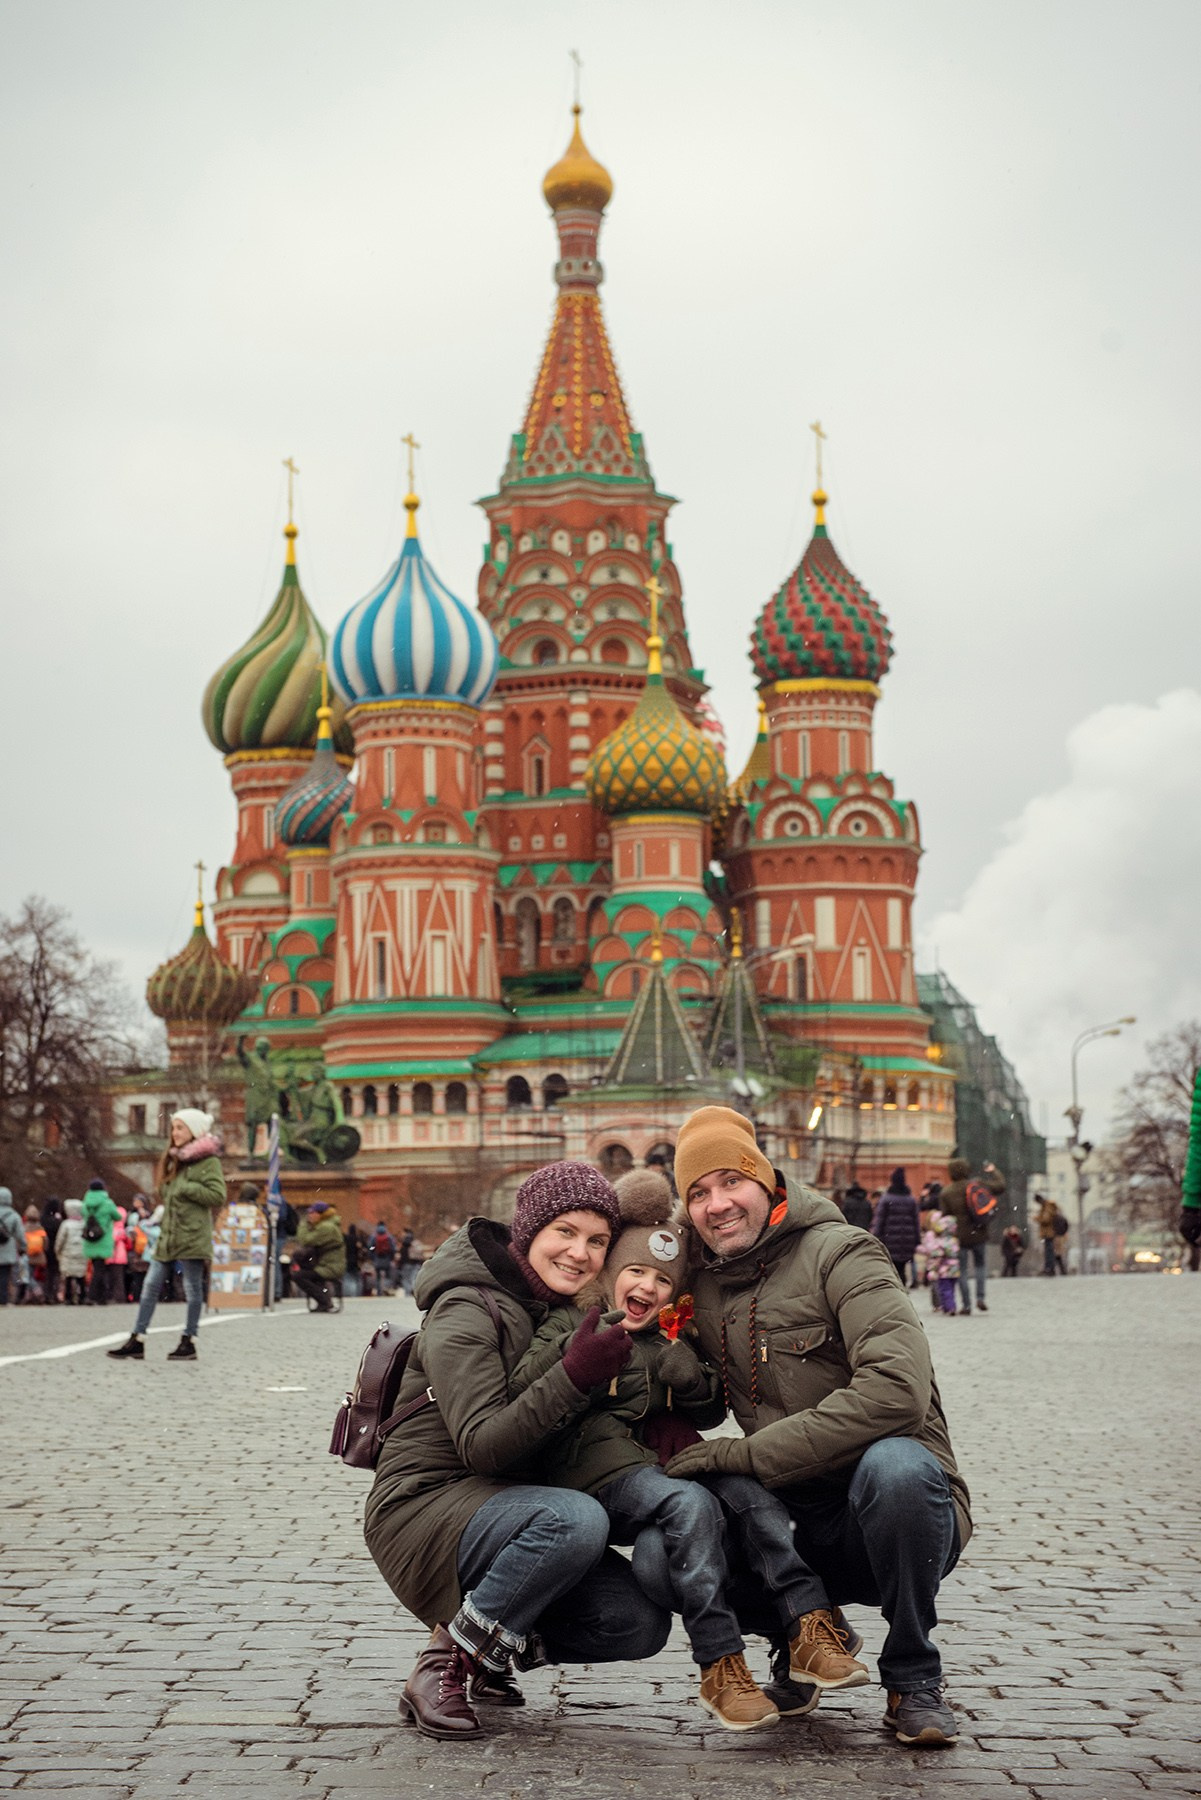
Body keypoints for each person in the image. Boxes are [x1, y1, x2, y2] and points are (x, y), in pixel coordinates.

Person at [512, 1167, 868, 1730]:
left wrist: (690, 1372)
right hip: (593, 1475)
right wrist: (574, 1363)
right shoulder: (574, 1322)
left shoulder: (656, 1339)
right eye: (634, 1271)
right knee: (691, 1506)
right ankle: (719, 1660)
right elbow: (525, 1392)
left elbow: (705, 1412)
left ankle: (809, 1622)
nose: (647, 1288)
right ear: (609, 1276)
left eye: (661, 1280)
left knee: (749, 1492)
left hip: (649, 1467)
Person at [662, 1106, 971, 1750]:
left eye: (731, 1182)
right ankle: (800, 1642)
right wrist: (660, 1340)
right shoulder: (706, 1286)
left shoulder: (844, 1251)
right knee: (663, 1552)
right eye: (697, 1192)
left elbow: (897, 1392)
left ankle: (913, 1672)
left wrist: (745, 1456)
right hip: (793, 1516)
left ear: (768, 1181)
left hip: (886, 1509)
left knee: (899, 1468)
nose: (717, 1204)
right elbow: (703, 1405)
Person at [363, 1160, 671, 1742]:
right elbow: (483, 1446)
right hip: (423, 1508)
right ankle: (444, 1664)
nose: (580, 1253)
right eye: (566, 1233)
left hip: (507, 1508)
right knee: (574, 1519)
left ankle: (489, 1651)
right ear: (529, 1231)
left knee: (637, 1623)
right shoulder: (465, 1307)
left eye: (597, 1241)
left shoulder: (559, 1310)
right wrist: (575, 1377)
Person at [106, 1109, 227, 1362]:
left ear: (193, 1130)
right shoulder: (174, 1160)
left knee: (192, 1289)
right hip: (169, 1234)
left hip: (192, 1234)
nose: (175, 1133)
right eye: (174, 1128)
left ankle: (189, 1340)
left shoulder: (208, 1162)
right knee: (150, 1286)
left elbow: (217, 1195)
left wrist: (186, 1187)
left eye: (180, 1128)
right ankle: (138, 1338)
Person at [938, 1156, 1005, 1316]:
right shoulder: (976, 1185)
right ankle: (980, 1298)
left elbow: (945, 1217)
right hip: (979, 1232)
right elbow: (1001, 1186)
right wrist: (994, 1171)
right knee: (980, 1265)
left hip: (959, 1236)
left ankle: (966, 1305)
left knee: (962, 1270)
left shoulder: (946, 1192)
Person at [871, 1168, 922, 1286]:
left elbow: (880, 1220)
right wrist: (917, 1239)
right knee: (902, 1267)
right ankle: (903, 1290)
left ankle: (897, 1292)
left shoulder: (886, 1199)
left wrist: (877, 1237)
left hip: (890, 1240)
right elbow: (916, 1221)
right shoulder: (911, 1200)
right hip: (907, 1241)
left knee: (893, 1269)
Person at [294, 1201, 346, 1311]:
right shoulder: (326, 1225)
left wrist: (304, 1225)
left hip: (330, 1266)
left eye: (312, 1213)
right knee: (305, 1272)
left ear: (321, 1214)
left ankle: (324, 1301)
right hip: (325, 1264)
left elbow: (305, 1240)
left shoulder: (326, 1227)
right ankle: (323, 1301)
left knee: (299, 1276)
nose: (309, 1216)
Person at [81, 1180, 121, 1305]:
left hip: (90, 1238)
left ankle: (102, 1296)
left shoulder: (85, 1203)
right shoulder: (107, 1203)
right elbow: (118, 1217)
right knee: (100, 1269)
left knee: (97, 1267)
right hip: (103, 1238)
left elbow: (83, 1215)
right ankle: (92, 1295)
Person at [920, 1205, 960, 1316]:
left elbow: (937, 1255)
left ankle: (949, 1307)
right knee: (951, 1290)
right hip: (955, 1269)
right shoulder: (954, 1240)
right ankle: (951, 1305)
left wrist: (933, 1269)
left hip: (944, 1270)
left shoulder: (941, 1241)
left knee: (944, 1289)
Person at [56, 1200, 89, 1304]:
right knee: (80, 1276)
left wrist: (58, 1251)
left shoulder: (66, 1224)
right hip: (82, 1252)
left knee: (68, 1276)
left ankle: (68, 1298)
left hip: (68, 1253)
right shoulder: (84, 1223)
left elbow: (60, 1239)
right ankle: (82, 1296)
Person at [0, 1189, 27, 1307]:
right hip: (7, 1248)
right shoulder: (14, 1215)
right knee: (5, 1275)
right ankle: (3, 1298)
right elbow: (20, 1234)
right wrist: (23, 1246)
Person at [41, 1195, 65, 1303]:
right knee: (55, 1272)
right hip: (56, 1248)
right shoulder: (58, 1221)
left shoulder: (43, 1218)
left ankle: (46, 1294)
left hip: (45, 1248)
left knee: (48, 1272)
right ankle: (53, 1294)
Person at [22, 1207, 48, 1302]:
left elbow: (21, 1242)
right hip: (39, 1255)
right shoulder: (40, 1228)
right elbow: (45, 1242)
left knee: (27, 1276)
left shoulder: (24, 1228)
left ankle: (36, 1290)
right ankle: (31, 1295)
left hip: (27, 1255)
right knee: (34, 1275)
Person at [1034, 1195, 1063, 1276]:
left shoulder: (1047, 1206)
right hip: (1049, 1233)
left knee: (1049, 1251)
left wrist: (1037, 1218)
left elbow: (1046, 1219)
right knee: (1049, 1250)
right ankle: (1050, 1268)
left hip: (1049, 1233)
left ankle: (1049, 1268)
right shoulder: (1048, 1206)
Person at [370, 1220, 396, 1296]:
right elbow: (392, 1248)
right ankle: (386, 1289)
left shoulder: (374, 1236)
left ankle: (379, 1292)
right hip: (387, 1258)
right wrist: (391, 1257)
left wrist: (372, 1255)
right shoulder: (388, 1236)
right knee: (388, 1275)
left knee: (378, 1277)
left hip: (377, 1259)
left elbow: (371, 1247)